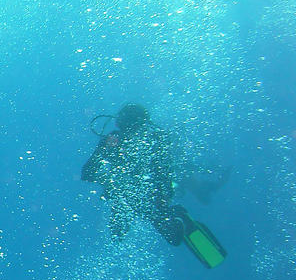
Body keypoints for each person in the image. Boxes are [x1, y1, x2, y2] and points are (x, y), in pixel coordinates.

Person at [82, 103, 227, 267]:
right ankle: (172, 215)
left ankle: (174, 216)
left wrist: (162, 198)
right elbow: (87, 174)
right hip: (139, 196)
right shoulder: (141, 139)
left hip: (139, 196)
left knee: (163, 231)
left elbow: (87, 173)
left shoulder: (146, 140)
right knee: (123, 229)